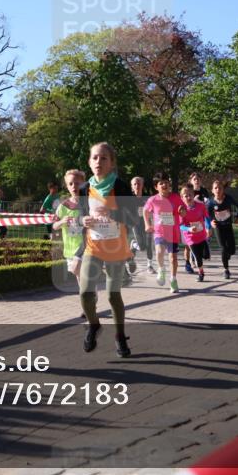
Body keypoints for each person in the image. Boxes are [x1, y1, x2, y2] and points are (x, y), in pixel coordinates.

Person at [77, 143, 137, 357]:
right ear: (89, 162)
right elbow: (80, 214)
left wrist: (114, 215)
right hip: (92, 247)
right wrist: (83, 219)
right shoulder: (84, 189)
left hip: (115, 249)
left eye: (103, 158)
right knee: (85, 293)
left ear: (112, 163)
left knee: (113, 296)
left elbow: (133, 217)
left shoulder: (120, 187)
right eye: (94, 158)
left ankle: (120, 336)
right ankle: (94, 325)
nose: (98, 162)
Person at [143, 171, 186, 294]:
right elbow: (146, 212)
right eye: (161, 183)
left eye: (166, 183)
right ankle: (161, 269)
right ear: (156, 187)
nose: (164, 185)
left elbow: (183, 212)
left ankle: (173, 279)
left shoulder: (175, 198)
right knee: (159, 252)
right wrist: (147, 224)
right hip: (159, 232)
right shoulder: (153, 200)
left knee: (173, 258)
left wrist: (182, 211)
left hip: (172, 232)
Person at [52, 170, 85, 279]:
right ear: (67, 186)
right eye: (70, 184)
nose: (74, 186)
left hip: (86, 248)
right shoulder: (63, 206)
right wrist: (62, 222)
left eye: (77, 183)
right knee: (80, 279)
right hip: (70, 250)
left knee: (86, 279)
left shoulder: (88, 204)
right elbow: (54, 225)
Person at [207, 180, 238, 279]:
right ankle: (226, 270)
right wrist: (210, 222)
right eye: (216, 188)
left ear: (223, 190)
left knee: (232, 251)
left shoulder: (228, 199)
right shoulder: (210, 202)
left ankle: (227, 255)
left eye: (220, 188)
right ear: (212, 190)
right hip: (218, 227)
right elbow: (205, 214)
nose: (218, 190)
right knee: (223, 248)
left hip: (228, 226)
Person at [180, 184, 210, 282]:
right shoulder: (182, 210)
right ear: (182, 198)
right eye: (186, 196)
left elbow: (206, 217)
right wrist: (189, 229)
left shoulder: (200, 206)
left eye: (190, 195)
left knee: (205, 255)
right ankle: (201, 272)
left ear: (193, 195)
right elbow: (180, 225)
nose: (188, 197)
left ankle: (205, 254)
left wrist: (208, 227)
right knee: (197, 257)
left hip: (202, 235)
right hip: (190, 237)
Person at [186, 172, 212, 271]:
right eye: (194, 179)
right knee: (193, 241)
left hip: (202, 218)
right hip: (191, 219)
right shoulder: (189, 191)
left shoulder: (204, 191)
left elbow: (208, 203)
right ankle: (192, 260)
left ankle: (200, 257)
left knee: (203, 239)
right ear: (191, 181)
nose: (197, 180)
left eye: (198, 179)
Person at [129, 176, 155, 274]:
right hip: (135, 224)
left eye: (139, 183)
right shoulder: (129, 198)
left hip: (147, 223)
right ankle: (134, 245)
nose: (137, 186)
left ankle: (150, 266)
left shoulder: (147, 198)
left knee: (149, 245)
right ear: (132, 186)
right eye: (135, 184)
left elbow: (153, 209)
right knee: (142, 246)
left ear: (142, 185)